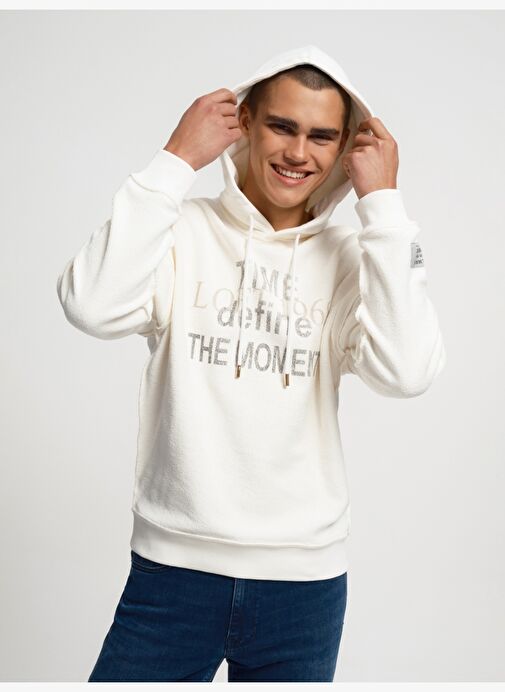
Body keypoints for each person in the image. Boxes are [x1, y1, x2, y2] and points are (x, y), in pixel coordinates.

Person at [56, 44, 446, 683]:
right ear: (245, 123)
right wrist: (174, 162)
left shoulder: (353, 258)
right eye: (282, 126)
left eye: (322, 136)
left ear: (344, 147)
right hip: (173, 574)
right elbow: (91, 306)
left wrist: (384, 207)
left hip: (302, 587)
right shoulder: (180, 231)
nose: (299, 152)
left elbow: (407, 371)